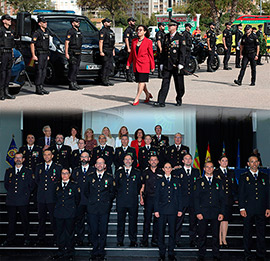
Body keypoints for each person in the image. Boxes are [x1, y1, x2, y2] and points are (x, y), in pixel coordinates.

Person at [239, 155, 270, 261]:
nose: (254, 164)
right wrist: (241, 208)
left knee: (261, 233)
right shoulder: (244, 176)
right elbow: (241, 194)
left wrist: (268, 207)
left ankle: (261, 253)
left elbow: (268, 193)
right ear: (248, 164)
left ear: (258, 163)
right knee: (248, 233)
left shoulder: (264, 176)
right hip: (248, 209)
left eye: (256, 161)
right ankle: (247, 254)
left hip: (261, 209)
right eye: (252, 162)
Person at [194, 161, 225, 261]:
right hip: (203, 212)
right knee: (202, 235)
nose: (209, 169)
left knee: (215, 235)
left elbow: (222, 199)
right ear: (204, 168)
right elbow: (196, 198)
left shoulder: (218, 182)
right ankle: (201, 254)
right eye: (207, 167)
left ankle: (216, 254)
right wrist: (198, 212)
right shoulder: (199, 181)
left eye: (211, 167)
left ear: (213, 169)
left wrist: (221, 212)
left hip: (215, 212)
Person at [85, 158, 115, 261]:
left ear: (105, 165)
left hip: (104, 208)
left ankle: (101, 251)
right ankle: (94, 250)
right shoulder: (89, 177)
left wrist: (106, 201)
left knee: (103, 230)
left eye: (101, 163)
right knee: (93, 230)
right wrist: (92, 200)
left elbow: (112, 192)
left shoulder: (110, 178)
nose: (100, 165)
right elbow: (86, 191)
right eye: (98, 163)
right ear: (95, 165)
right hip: (92, 207)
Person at [1, 152, 34, 247]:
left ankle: (27, 238)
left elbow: (31, 185)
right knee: (11, 221)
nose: (18, 159)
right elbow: (6, 185)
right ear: (14, 159)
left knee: (25, 220)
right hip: (11, 200)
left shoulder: (28, 171)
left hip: (23, 200)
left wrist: (26, 195)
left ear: (23, 159)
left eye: (20, 158)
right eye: (16, 158)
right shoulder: (9, 171)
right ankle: (10, 238)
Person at [154, 162, 183, 261]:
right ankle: (162, 253)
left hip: (173, 211)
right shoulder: (159, 181)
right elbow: (156, 197)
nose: (167, 169)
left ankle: (171, 253)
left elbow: (179, 196)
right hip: (162, 211)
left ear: (171, 169)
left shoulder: (176, 180)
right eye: (166, 167)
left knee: (172, 233)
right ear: (163, 169)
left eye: (169, 167)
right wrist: (156, 210)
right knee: (161, 233)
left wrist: (180, 209)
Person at [154, 21, 186, 107]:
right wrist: (161, 63)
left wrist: (181, 63)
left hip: (176, 65)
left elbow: (182, 52)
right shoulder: (166, 36)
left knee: (179, 85)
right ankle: (161, 101)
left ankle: (179, 98)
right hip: (167, 64)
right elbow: (164, 52)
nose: (169, 27)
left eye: (171, 26)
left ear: (175, 27)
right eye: (169, 25)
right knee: (165, 83)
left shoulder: (180, 37)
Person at [35, 149, 62, 246]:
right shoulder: (39, 167)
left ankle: (56, 238)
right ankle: (41, 238)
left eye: (49, 154)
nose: (47, 156)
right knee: (41, 219)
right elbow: (37, 181)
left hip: (52, 197)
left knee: (53, 219)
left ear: (52, 156)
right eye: (45, 155)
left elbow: (59, 181)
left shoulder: (58, 167)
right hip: (41, 197)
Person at [52, 168, 80, 261]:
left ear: (69, 174)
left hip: (70, 213)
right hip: (59, 212)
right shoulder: (56, 185)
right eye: (63, 173)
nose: (64, 175)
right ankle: (60, 251)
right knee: (59, 233)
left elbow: (77, 199)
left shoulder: (74, 185)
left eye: (66, 173)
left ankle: (70, 252)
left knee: (69, 233)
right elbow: (54, 198)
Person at [115, 154, 142, 247]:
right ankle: (120, 240)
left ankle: (133, 240)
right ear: (123, 161)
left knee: (133, 222)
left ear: (132, 161)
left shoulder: (137, 172)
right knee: (120, 222)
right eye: (126, 159)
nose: (127, 161)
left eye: (129, 159)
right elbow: (116, 186)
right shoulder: (118, 172)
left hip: (132, 201)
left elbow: (139, 185)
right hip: (121, 201)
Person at [174, 153, 200, 248]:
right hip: (182, 201)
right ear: (183, 161)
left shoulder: (196, 172)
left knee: (193, 222)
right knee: (179, 222)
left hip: (193, 201)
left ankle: (193, 240)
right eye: (186, 159)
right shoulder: (177, 172)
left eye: (189, 159)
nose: (188, 160)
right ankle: (176, 240)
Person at [126, 25, 155, 106]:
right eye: (138, 30)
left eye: (140, 30)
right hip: (136, 64)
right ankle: (147, 94)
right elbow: (132, 54)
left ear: (145, 32)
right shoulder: (134, 41)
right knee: (140, 81)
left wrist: (152, 66)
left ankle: (137, 98)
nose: (138, 31)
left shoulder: (148, 41)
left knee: (141, 82)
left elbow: (151, 55)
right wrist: (128, 63)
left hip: (145, 64)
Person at [213, 155, 238, 248]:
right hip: (219, 200)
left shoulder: (231, 172)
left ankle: (224, 239)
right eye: (223, 160)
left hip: (228, 199)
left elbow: (234, 186)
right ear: (219, 162)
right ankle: (219, 240)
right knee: (219, 219)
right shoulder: (215, 172)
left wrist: (235, 198)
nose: (225, 162)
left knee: (226, 220)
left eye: (226, 161)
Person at [140, 155, 163, 247]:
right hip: (148, 198)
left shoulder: (162, 172)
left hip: (159, 199)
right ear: (149, 162)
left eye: (155, 160)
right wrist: (141, 198)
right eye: (151, 160)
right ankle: (144, 240)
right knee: (147, 220)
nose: (153, 161)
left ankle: (155, 239)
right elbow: (142, 186)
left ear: (158, 161)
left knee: (157, 220)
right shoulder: (145, 172)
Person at [72, 151, 94, 247]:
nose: (84, 158)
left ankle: (91, 239)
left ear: (89, 159)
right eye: (82, 157)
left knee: (91, 222)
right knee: (79, 222)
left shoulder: (94, 170)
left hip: (90, 201)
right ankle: (79, 239)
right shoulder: (75, 170)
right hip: (79, 201)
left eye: (86, 157)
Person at [30, 16, 50, 95]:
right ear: (39, 24)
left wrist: (48, 54)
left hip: (45, 53)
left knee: (44, 71)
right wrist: (33, 55)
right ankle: (38, 87)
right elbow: (32, 44)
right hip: (39, 54)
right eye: (44, 22)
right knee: (39, 71)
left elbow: (47, 44)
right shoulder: (37, 33)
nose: (45, 24)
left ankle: (42, 86)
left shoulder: (46, 32)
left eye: (46, 22)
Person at [65, 17, 83, 91]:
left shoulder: (79, 31)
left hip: (78, 51)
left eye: (78, 22)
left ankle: (75, 82)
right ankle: (71, 83)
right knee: (72, 68)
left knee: (76, 68)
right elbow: (67, 42)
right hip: (72, 51)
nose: (78, 23)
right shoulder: (70, 31)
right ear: (73, 23)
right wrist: (66, 53)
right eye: (76, 22)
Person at [0, 14, 15, 100]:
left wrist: (12, 54)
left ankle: (7, 92)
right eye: (8, 19)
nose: (10, 21)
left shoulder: (11, 31)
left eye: (10, 19)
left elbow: (12, 44)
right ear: (4, 21)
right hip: (3, 54)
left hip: (9, 53)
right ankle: (1, 93)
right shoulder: (1, 31)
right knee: (2, 73)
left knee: (9, 73)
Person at [99, 18, 115, 86]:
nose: (109, 23)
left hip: (110, 50)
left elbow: (113, 42)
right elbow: (101, 41)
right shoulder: (102, 31)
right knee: (105, 66)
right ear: (104, 23)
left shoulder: (111, 31)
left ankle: (107, 79)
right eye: (108, 22)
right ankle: (104, 80)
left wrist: (113, 51)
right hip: (105, 50)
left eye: (110, 22)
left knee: (109, 66)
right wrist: (101, 51)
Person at [123, 17, 137, 82]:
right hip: (130, 48)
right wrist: (128, 48)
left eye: (134, 21)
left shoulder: (134, 30)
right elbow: (126, 39)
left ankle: (133, 75)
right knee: (129, 63)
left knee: (134, 63)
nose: (134, 22)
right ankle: (129, 76)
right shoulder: (128, 30)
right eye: (132, 21)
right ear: (129, 22)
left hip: (134, 47)